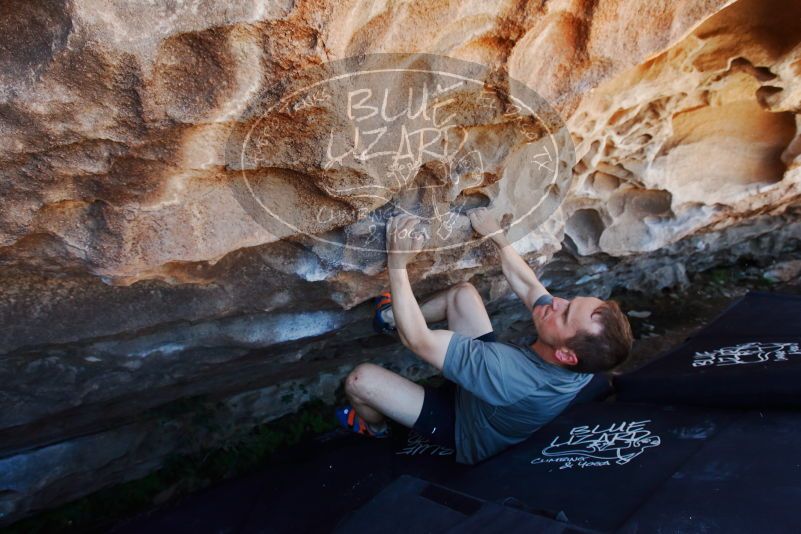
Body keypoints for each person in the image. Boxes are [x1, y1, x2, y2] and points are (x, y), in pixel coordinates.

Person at [336, 208, 633, 465]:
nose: (557, 302)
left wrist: (397, 264)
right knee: (462, 294)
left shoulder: (509, 373)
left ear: (566, 355)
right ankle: (388, 317)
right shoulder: (586, 355)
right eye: (570, 301)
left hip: (465, 426)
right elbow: (531, 288)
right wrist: (497, 236)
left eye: (566, 314)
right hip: (487, 393)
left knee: (361, 380)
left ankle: (375, 429)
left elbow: (418, 340)